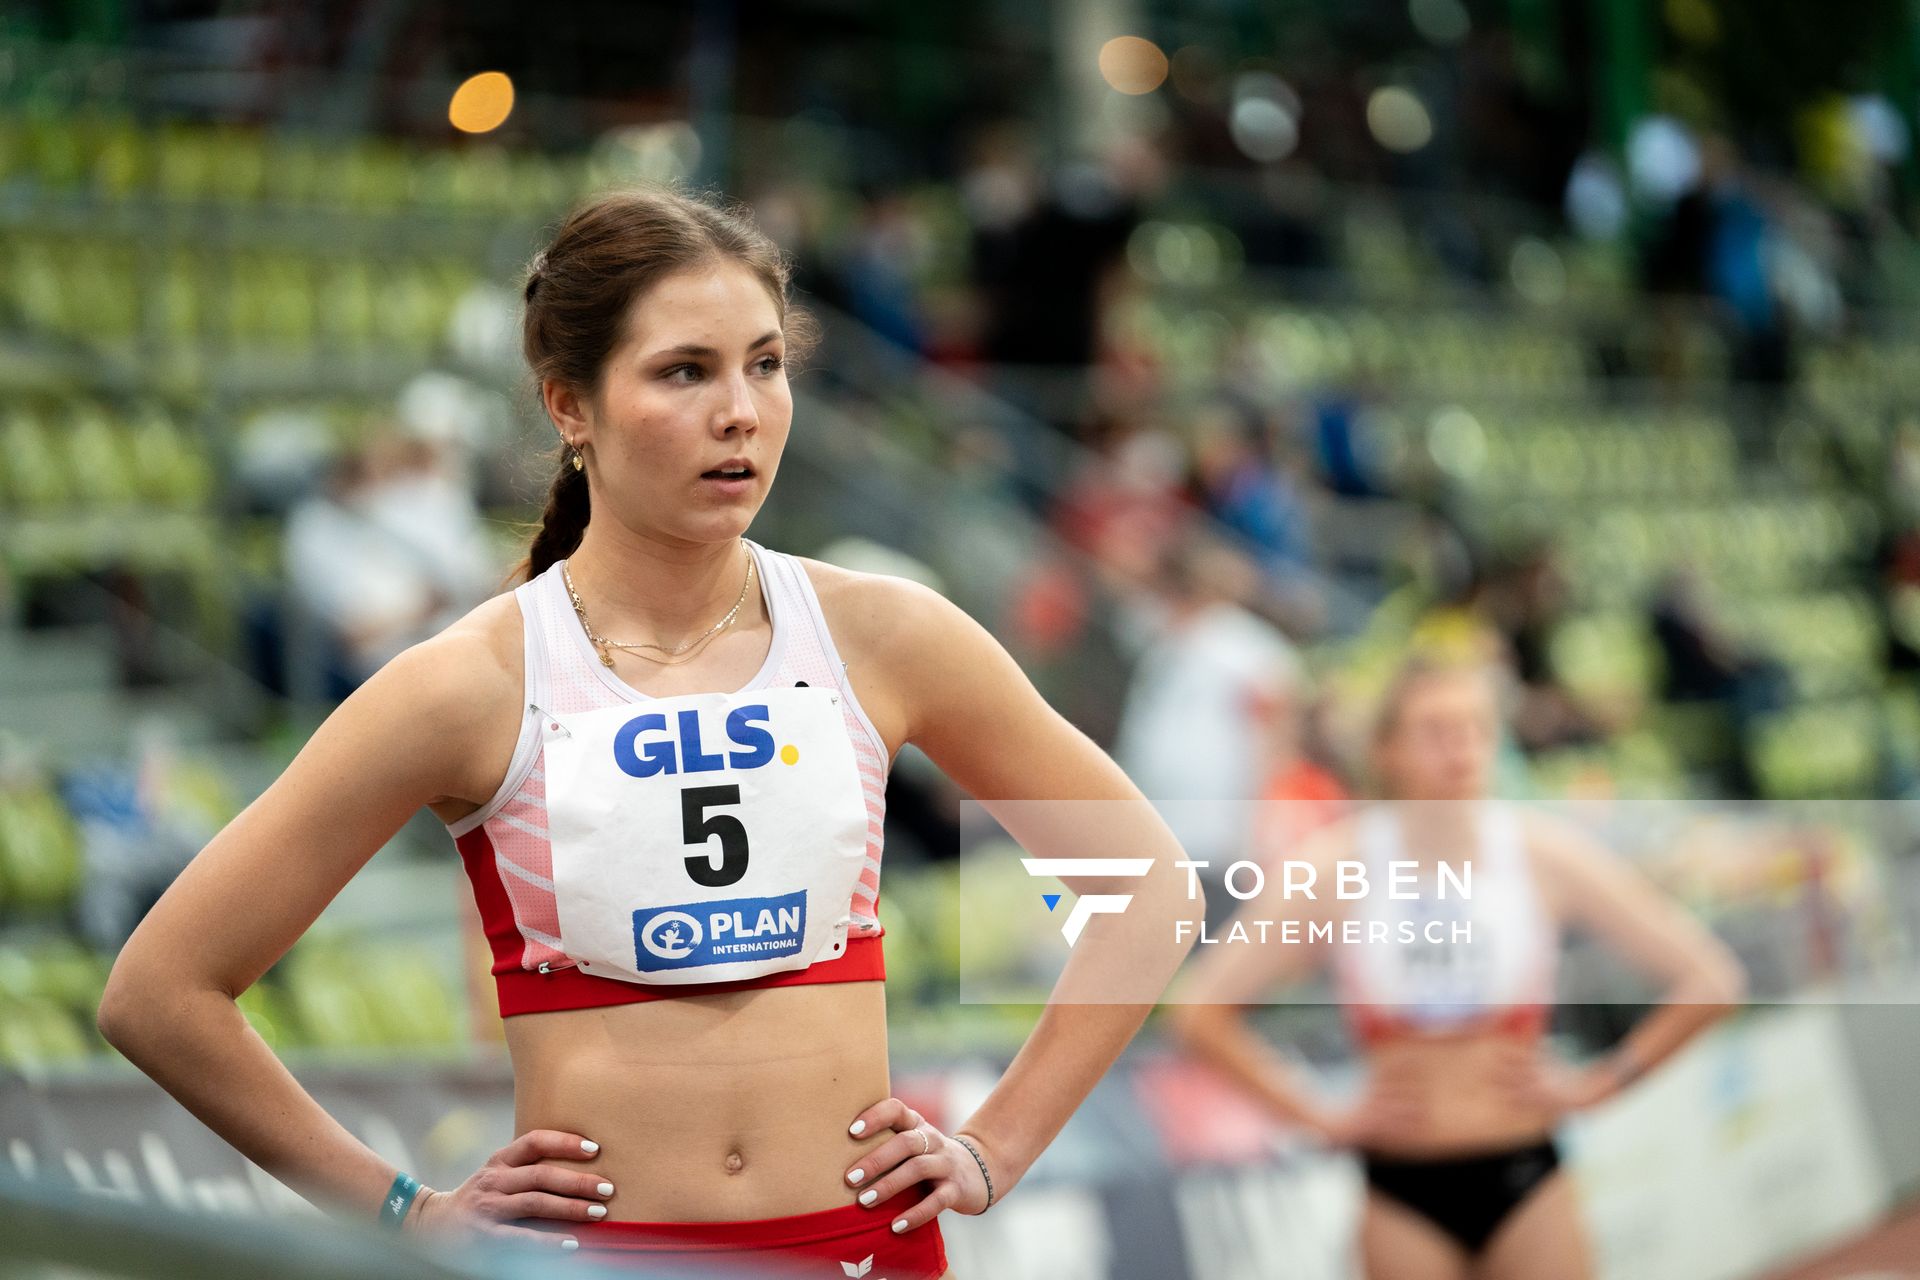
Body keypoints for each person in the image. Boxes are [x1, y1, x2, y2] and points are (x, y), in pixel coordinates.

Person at [97, 186, 1196, 1278]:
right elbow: (162, 991)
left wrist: (995, 1145)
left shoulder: (886, 634)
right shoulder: (471, 681)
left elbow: (1149, 883)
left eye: (765, 364)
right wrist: (401, 1209)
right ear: (569, 403)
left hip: (864, 1251)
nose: (742, 410)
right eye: (687, 370)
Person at [1170, 653, 1746, 1279]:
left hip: (1528, 1175)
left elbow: (1712, 980)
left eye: (1476, 728)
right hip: (1402, 1190)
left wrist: (1602, 1084)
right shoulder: (1335, 868)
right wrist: (1316, 1116)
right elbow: (1199, 1011)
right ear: (1387, 750)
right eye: (1436, 732)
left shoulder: (1542, 852)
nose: (1461, 750)